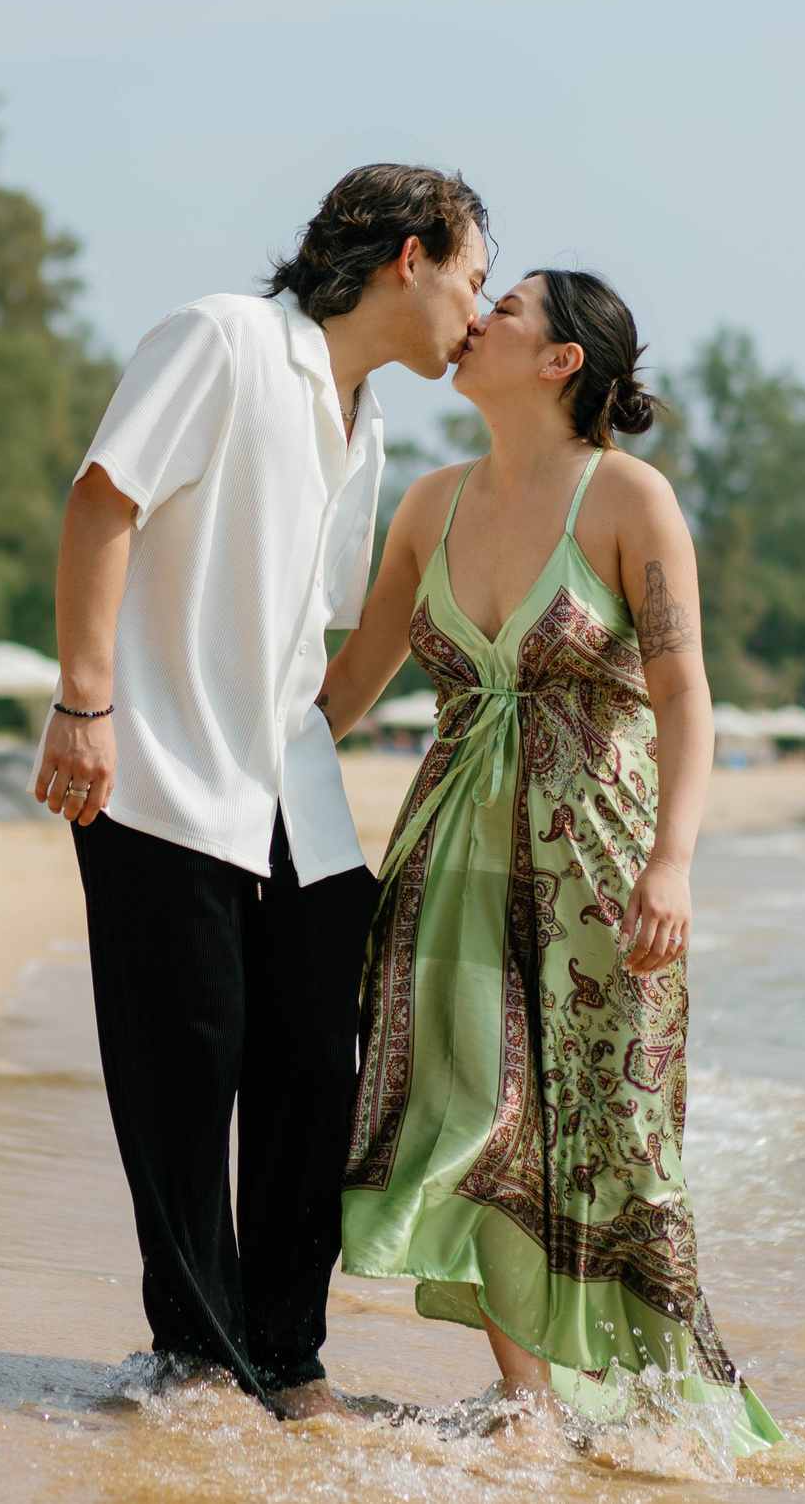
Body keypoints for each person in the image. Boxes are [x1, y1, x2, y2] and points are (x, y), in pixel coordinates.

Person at [33, 164, 490, 1419]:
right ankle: (195, 1351)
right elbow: (101, 498)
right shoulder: (224, 340)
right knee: (186, 1066)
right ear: (411, 256)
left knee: (311, 1066)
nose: (476, 309)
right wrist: (84, 699)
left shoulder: (371, 421)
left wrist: (323, 737)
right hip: (161, 773)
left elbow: (312, 633)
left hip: (293, 789)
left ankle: (288, 1355)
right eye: (474, 277)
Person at [317, 270, 781, 1449]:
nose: (476, 319)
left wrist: (673, 862)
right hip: (448, 870)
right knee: (473, 1118)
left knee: (620, 1138)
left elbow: (685, 696)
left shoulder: (630, 498)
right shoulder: (427, 503)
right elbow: (348, 686)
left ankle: (672, 1414)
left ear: (560, 359)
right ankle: (530, 1403)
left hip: (602, 869)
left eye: (506, 307)